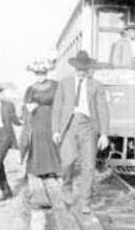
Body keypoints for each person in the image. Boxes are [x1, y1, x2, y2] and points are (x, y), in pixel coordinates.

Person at [52, 50, 110, 213]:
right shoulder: (64, 83)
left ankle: (85, 200)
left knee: (89, 165)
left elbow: (102, 109)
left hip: (88, 127)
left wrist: (104, 133)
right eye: (78, 69)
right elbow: (57, 108)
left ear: (88, 69)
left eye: (84, 69)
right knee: (67, 162)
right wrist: (55, 130)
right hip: (69, 126)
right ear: (74, 68)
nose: (81, 72)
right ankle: (67, 187)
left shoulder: (96, 85)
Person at [21, 58, 61, 178]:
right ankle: (40, 170)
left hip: (51, 115)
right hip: (37, 117)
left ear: (46, 74)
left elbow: (60, 100)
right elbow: (25, 104)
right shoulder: (31, 88)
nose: (40, 77)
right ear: (35, 75)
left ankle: (53, 168)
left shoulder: (55, 85)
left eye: (43, 74)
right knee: (39, 142)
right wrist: (30, 106)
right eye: (38, 74)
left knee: (52, 140)